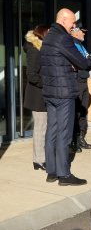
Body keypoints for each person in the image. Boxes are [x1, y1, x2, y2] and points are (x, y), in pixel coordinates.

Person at [40, 8, 91, 185]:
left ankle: (52, 172)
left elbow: (55, 62)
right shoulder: (64, 38)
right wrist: (82, 63)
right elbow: (83, 62)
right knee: (64, 133)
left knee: (52, 132)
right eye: (72, 22)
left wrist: (70, 64)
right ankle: (64, 175)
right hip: (63, 93)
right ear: (63, 20)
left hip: (50, 92)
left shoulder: (48, 37)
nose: (74, 26)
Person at [23, 24, 50, 171]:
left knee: (43, 128)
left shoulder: (40, 48)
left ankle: (39, 158)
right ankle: (39, 159)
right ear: (42, 34)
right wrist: (47, 83)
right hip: (37, 95)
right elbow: (32, 75)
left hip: (41, 93)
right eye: (48, 33)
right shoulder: (34, 49)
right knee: (40, 128)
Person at [69, 21, 91, 153]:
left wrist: (85, 62)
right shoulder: (71, 43)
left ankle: (81, 138)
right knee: (75, 112)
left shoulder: (81, 45)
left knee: (84, 111)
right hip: (76, 81)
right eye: (82, 31)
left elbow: (90, 62)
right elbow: (81, 62)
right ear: (75, 30)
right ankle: (74, 141)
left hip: (84, 81)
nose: (84, 33)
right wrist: (85, 62)